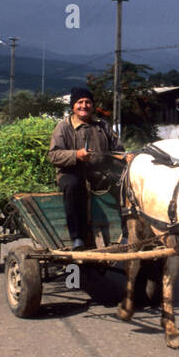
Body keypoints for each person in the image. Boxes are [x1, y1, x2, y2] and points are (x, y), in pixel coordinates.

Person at [47, 88, 124, 249]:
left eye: (87, 102)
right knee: (72, 186)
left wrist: (124, 156)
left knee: (125, 185)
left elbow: (118, 149)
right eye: (79, 102)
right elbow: (54, 155)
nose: (84, 105)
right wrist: (76, 155)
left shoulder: (103, 126)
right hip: (72, 173)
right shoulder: (63, 127)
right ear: (73, 106)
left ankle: (126, 232)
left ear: (93, 105)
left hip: (101, 174)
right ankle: (77, 237)